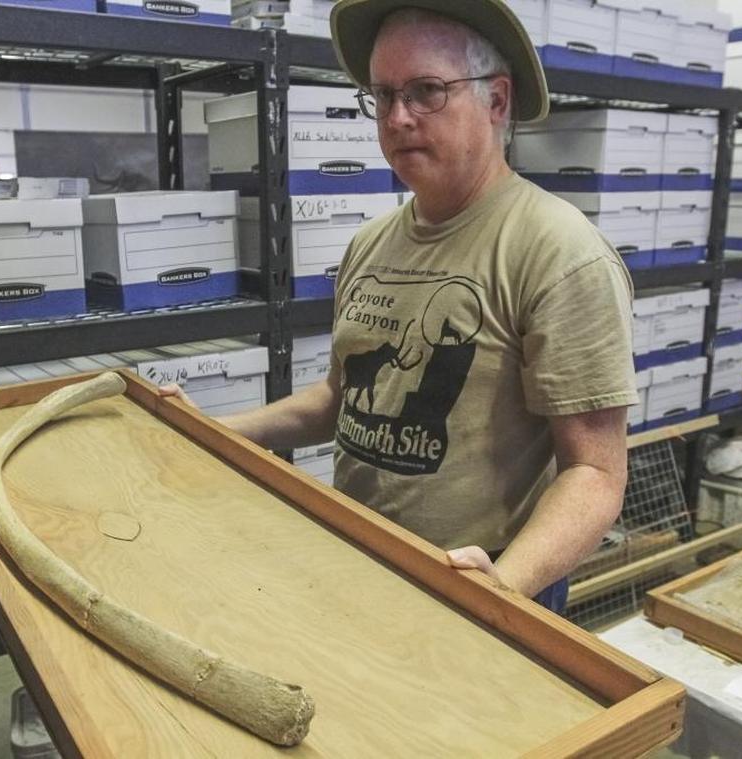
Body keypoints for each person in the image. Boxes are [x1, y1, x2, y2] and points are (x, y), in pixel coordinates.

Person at [161, 0, 637, 614]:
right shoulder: (372, 243)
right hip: (361, 558)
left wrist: (498, 591)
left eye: (426, 91)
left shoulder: (559, 252)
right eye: (382, 96)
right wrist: (212, 432)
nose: (398, 117)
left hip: (485, 582)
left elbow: (596, 475)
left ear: (497, 101)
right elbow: (344, 398)